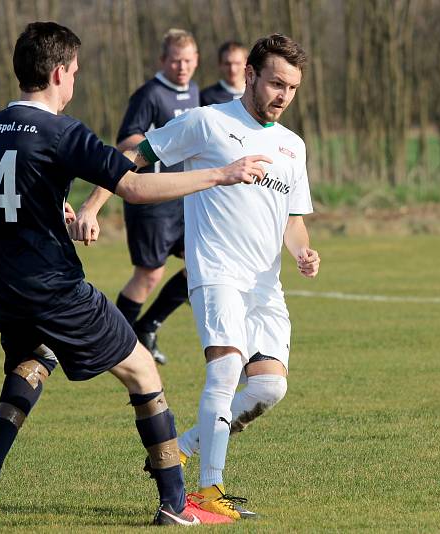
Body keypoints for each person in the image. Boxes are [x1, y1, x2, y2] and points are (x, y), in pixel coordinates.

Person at [0, 22, 268, 526]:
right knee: (143, 373)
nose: (74, 81)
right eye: (73, 72)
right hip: (53, 288)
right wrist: (222, 173)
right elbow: (133, 187)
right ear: (56, 73)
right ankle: (176, 506)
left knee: (34, 357)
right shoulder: (61, 131)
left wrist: (45, 214)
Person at [72, 33, 320, 521]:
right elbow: (133, 159)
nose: (283, 96)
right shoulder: (207, 122)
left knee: (269, 389)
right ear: (249, 75)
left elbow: (294, 220)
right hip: (216, 271)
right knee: (226, 370)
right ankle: (206, 490)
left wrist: (303, 251)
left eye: (291, 88)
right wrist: (92, 204)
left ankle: (180, 447)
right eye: (275, 83)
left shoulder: (292, 146)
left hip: (265, 285)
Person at [81, 29, 200, 365]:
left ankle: (148, 325)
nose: (182, 66)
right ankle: (109, 340)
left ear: (197, 61)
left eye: (188, 60)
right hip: (152, 202)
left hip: (183, 198)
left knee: (199, 263)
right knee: (148, 275)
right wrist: (160, 144)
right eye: (176, 60)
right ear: (163, 60)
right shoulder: (149, 94)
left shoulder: (192, 91)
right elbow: (126, 142)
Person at [199, 41, 248, 106]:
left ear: (246, 63)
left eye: (237, 63)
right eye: (227, 64)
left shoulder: (258, 94)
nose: (232, 69)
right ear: (220, 64)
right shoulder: (206, 97)